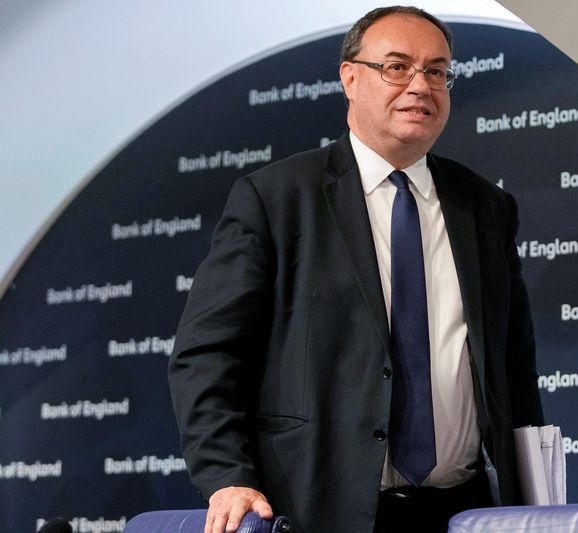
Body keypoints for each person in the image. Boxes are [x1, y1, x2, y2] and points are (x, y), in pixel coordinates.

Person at [168, 6, 544, 533]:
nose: (420, 85)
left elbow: (513, 366)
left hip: (467, 511)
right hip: (321, 509)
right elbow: (207, 353)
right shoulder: (276, 198)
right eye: (396, 67)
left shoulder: (484, 207)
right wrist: (227, 475)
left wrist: (533, 500)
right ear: (349, 77)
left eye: (436, 71)